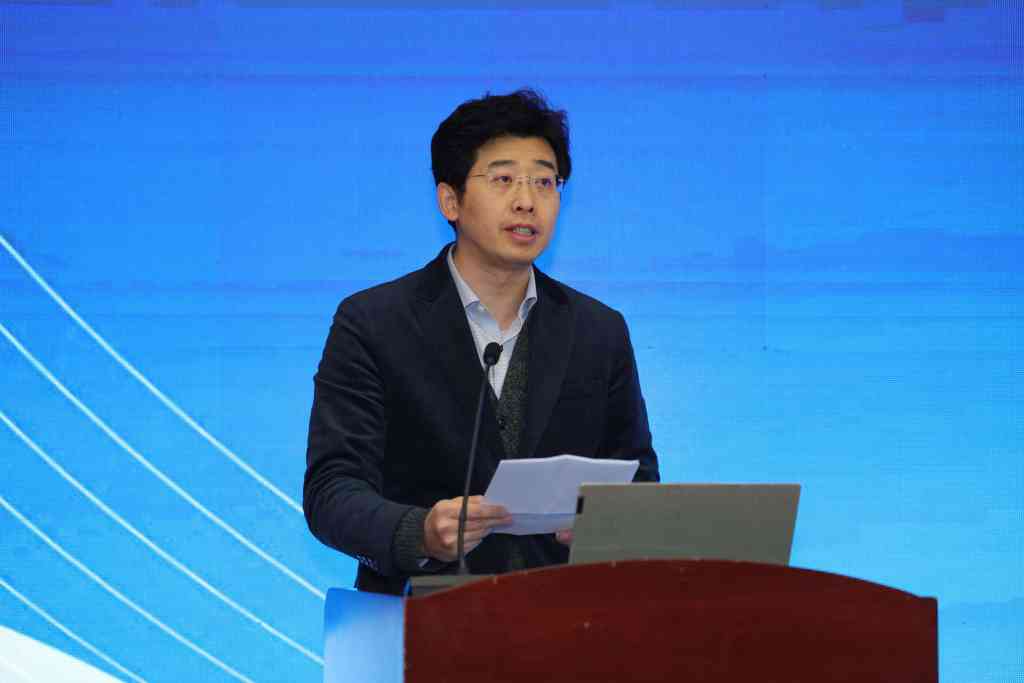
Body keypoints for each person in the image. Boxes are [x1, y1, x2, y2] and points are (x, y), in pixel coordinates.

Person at [304, 89, 659, 595]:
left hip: (564, 614)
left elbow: (639, 482)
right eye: (503, 179)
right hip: (419, 615)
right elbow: (332, 491)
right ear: (450, 200)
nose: (527, 200)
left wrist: (608, 526)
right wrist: (418, 532)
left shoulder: (598, 330)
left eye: (544, 181)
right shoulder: (373, 323)